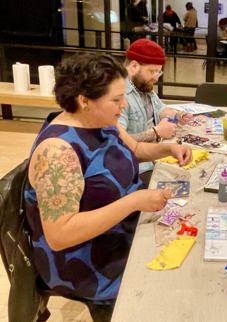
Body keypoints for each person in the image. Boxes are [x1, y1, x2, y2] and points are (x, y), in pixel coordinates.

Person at [24, 53, 193, 322]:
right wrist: (134, 202)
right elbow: (60, 234)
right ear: (84, 101)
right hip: (87, 261)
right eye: (116, 99)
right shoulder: (57, 152)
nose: (124, 105)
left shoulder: (102, 121)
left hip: (121, 232)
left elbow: (135, 148)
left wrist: (168, 148)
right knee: (174, 290)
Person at [119, 39, 193, 184]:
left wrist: (176, 116)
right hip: (137, 168)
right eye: (153, 72)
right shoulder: (119, 95)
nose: (155, 78)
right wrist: (156, 132)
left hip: (156, 155)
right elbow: (118, 141)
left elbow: (159, 108)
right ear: (134, 66)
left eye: (158, 73)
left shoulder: (142, 86)